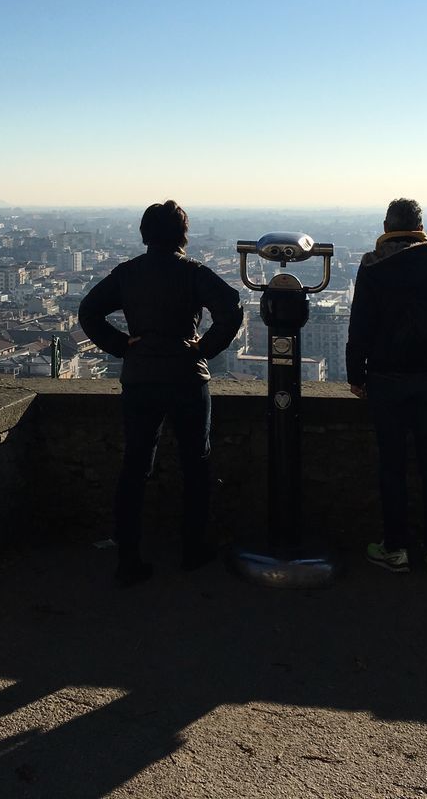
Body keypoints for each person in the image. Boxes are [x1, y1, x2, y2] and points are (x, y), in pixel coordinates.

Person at [79, 201, 243, 586]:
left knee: (135, 467)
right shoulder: (192, 274)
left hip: (140, 378)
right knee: (196, 465)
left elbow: (88, 311)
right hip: (186, 376)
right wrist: (204, 348)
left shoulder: (128, 273)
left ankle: (128, 557)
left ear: (144, 234)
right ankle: (193, 548)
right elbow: (232, 308)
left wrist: (122, 346)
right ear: (182, 235)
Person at [346, 198, 427, 575]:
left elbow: (360, 327)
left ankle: (396, 548)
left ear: (387, 225)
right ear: (420, 227)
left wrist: (356, 376)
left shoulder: (372, 269)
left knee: (393, 466)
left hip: (385, 380)